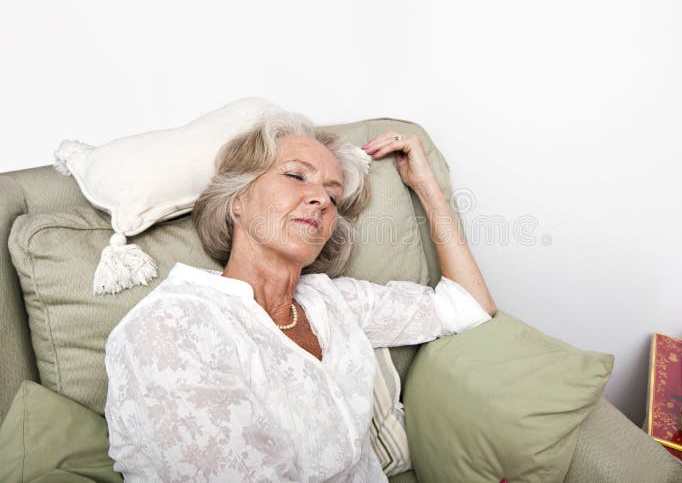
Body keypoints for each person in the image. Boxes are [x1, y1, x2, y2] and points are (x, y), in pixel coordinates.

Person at [104, 111, 497, 482]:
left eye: (333, 195)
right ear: (237, 200)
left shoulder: (332, 302)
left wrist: (427, 188)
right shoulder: (172, 325)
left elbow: (468, 306)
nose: (322, 200)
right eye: (295, 176)